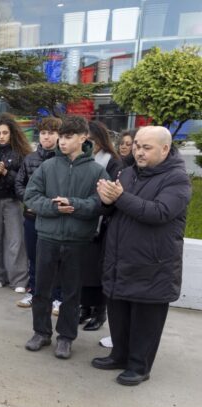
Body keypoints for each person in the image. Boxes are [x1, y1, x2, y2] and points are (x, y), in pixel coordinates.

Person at [93, 126, 191, 386]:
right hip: (120, 261)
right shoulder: (128, 173)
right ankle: (119, 355)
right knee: (119, 313)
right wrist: (105, 201)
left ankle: (139, 366)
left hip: (153, 265)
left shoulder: (177, 179)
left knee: (146, 320)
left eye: (146, 147)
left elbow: (159, 212)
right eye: (137, 145)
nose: (138, 152)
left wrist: (120, 197)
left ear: (165, 149)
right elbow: (115, 208)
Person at [23, 115, 110, 360]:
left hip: (78, 241)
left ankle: (66, 337)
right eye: (61, 136)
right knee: (42, 289)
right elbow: (31, 196)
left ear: (83, 138)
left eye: (68, 137)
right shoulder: (48, 166)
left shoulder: (97, 171)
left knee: (72, 293)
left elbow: (102, 203)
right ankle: (41, 332)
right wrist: (54, 207)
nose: (62, 141)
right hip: (47, 237)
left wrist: (75, 205)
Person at [79, 120, 124, 331]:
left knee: (99, 271)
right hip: (83, 221)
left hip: (103, 223)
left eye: (90, 140)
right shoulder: (81, 159)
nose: (87, 144)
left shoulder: (113, 162)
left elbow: (111, 193)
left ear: (99, 140)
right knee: (84, 269)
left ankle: (99, 311)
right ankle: (85, 308)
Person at [15, 116, 62, 308]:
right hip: (32, 217)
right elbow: (19, 184)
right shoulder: (30, 159)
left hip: (54, 219)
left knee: (55, 259)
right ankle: (33, 292)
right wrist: (31, 202)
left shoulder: (63, 159)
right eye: (43, 133)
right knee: (33, 258)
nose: (46, 137)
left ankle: (57, 297)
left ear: (59, 136)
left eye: (51, 133)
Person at [0, 114, 31, 292]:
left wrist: (6, 173)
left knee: (16, 241)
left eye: (5, 133)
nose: (1, 136)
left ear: (12, 133)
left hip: (13, 201)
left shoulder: (22, 155)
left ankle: (19, 280)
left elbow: (23, 181)